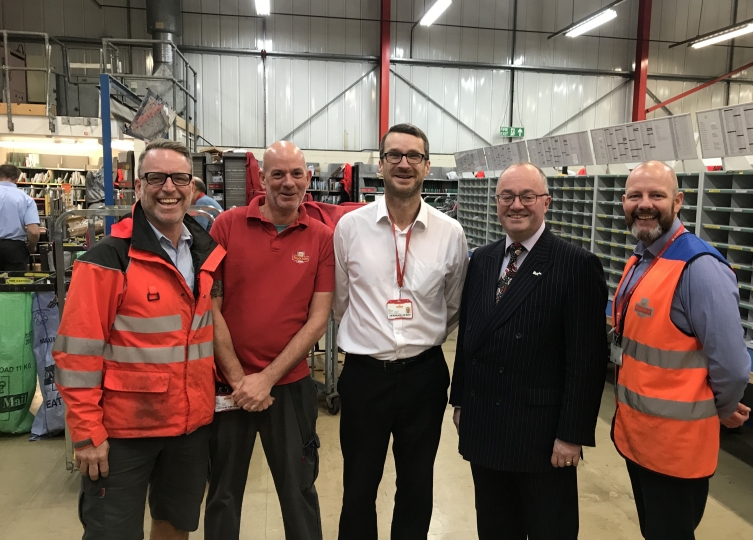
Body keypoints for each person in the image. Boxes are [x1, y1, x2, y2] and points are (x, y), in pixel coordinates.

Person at [52, 139, 225, 540]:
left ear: (192, 187)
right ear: (138, 187)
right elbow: (76, 354)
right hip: (123, 434)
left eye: (179, 177)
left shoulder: (205, 253)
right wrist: (87, 433)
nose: (169, 187)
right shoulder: (108, 259)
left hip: (188, 428)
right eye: (156, 177)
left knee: (175, 526)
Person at [449, 162, 608, 540]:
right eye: (507, 196)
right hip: (485, 423)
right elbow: (469, 336)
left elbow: (587, 359)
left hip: (541, 435)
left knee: (547, 528)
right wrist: (460, 401)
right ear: (497, 202)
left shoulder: (576, 265)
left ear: (546, 203)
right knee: (494, 525)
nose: (516, 205)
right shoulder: (483, 260)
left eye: (527, 196)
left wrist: (572, 434)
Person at [334, 123, 468, 540]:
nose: (404, 163)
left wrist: (417, 337)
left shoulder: (451, 234)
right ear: (381, 164)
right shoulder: (350, 229)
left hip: (423, 377)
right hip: (364, 375)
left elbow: (453, 306)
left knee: (416, 485)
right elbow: (341, 301)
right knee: (358, 486)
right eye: (394, 155)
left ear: (427, 166)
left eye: (414, 156)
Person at [611, 160, 752, 540]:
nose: (644, 204)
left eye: (656, 195)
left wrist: (719, 409)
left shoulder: (700, 268)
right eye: (635, 195)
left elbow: (734, 367)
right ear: (623, 201)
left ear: (678, 202)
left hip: (675, 450)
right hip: (640, 438)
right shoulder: (642, 259)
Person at [204, 141, 333, 540]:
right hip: (229, 387)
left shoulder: (321, 238)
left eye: (297, 174)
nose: (288, 182)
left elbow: (318, 320)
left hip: (290, 388)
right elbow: (211, 308)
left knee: (299, 491)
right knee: (223, 494)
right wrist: (241, 379)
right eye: (278, 173)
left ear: (308, 179)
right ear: (262, 179)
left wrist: (267, 379)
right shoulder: (226, 225)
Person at [0, 163, 40, 271]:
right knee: (13, 285)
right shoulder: (25, 199)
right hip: (14, 249)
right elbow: (34, 231)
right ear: (17, 179)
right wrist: (32, 247)